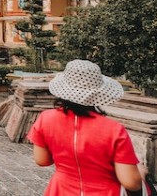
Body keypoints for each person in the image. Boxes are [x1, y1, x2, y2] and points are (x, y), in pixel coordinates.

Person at [27, 59, 145, 195]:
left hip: (61, 189)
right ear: (99, 93)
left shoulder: (45, 119)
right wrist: (140, 171)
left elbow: (42, 160)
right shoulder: (114, 130)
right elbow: (131, 182)